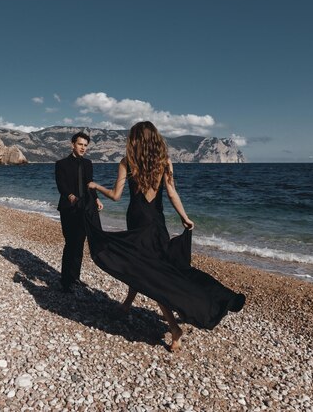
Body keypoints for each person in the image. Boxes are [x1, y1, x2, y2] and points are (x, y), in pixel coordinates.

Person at [86, 121, 245, 351]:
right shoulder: (164, 162)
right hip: (156, 223)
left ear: (135, 140)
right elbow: (172, 194)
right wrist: (185, 217)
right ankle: (128, 303)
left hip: (137, 221)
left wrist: (95, 187)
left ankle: (174, 327)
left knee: (152, 273)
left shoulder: (126, 162)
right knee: (148, 267)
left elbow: (116, 196)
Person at [55, 131, 104, 293]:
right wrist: (70, 196)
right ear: (73, 145)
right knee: (70, 243)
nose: (83, 148)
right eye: (80, 144)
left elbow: (89, 184)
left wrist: (96, 198)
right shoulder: (61, 164)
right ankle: (65, 281)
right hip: (69, 208)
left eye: (85, 145)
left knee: (80, 243)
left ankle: (75, 277)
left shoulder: (88, 163)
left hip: (85, 207)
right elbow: (61, 185)